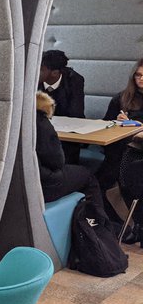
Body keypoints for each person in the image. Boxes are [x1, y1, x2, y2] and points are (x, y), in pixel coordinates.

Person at [36, 91, 107, 219]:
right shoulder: (40, 122)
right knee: (87, 175)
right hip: (44, 185)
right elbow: (56, 161)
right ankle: (97, 225)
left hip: (12, 185)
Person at [98, 58, 143, 192]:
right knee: (117, 151)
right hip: (121, 144)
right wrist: (117, 121)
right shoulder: (122, 98)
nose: (141, 79)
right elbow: (106, 124)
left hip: (138, 145)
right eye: (138, 75)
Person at [39, 49, 85, 164]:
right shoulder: (31, 80)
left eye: (41, 70)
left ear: (55, 73)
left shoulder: (74, 80)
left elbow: (76, 112)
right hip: (41, 129)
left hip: (67, 132)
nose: (36, 72)